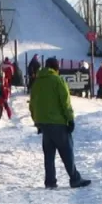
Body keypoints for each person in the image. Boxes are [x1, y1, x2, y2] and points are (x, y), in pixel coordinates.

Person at [29, 57, 91, 190]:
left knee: (49, 155)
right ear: (56, 68)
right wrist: (70, 119)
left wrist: (37, 122)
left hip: (44, 124)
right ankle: (75, 178)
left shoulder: (37, 82)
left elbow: (32, 104)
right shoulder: (57, 80)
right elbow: (65, 102)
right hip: (58, 123)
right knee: (67, 151)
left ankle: (50, 181)